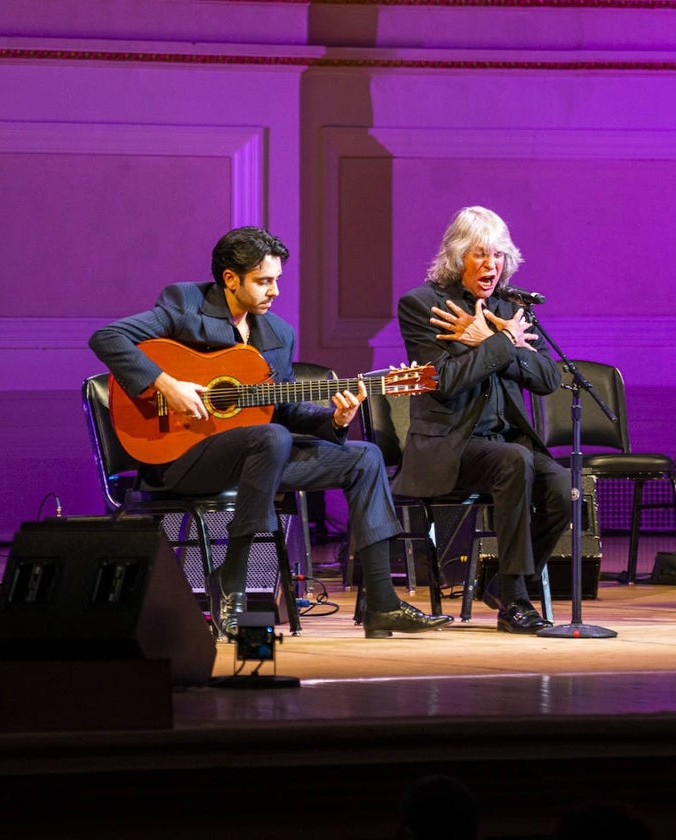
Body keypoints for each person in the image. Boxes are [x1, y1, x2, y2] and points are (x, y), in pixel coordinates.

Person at [89, 226, 453, 641]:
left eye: (277, 280)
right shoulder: (184, 303)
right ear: (230, 279)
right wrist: (166, 384)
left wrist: (333, 421)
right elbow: (107, 338)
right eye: (264, 281)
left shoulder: (277, 334)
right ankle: (234, 578)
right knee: (271, 437)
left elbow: (280, 409)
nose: (275, 290)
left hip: (257, 460)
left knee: (365, 456)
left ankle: (384, 604)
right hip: (181, 458)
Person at [393, 206, 570, 634]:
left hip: (504, 442)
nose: (492, 266)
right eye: (480, 255)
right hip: (449, 446)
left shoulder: (511, 305)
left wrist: (490, 338)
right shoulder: (423, 306)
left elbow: (548, 378)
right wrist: (501, 344)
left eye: (498, 256)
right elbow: (446, 381)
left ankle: (501, 581)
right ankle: (515, 603)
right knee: (514, 460)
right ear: (457, 257)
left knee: (563, 487)